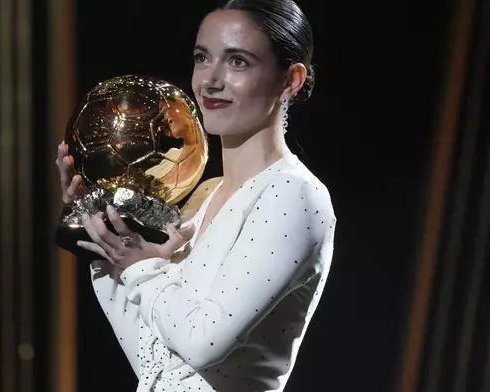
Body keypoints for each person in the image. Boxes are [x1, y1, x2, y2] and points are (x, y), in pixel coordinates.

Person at [57, 0, 336, 391]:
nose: (210, 80)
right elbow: (153, 360)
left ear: (290, 80)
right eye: (203, 58)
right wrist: (100, 225)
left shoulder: (293, 194)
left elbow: (202, 342)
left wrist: (142, 266)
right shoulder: (204, 196)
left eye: (238, 62)